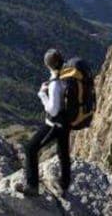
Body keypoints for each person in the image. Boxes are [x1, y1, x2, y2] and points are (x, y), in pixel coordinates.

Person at [18, 48, 71, 196]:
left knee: (30, 148)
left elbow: (53, 110)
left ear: (48, 65)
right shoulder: (68, 76)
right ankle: (64, 185)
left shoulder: (55, 83)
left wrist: (42, 95)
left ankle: (32, 186)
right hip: (66, 122)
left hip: (54, 124)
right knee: (63, 153)